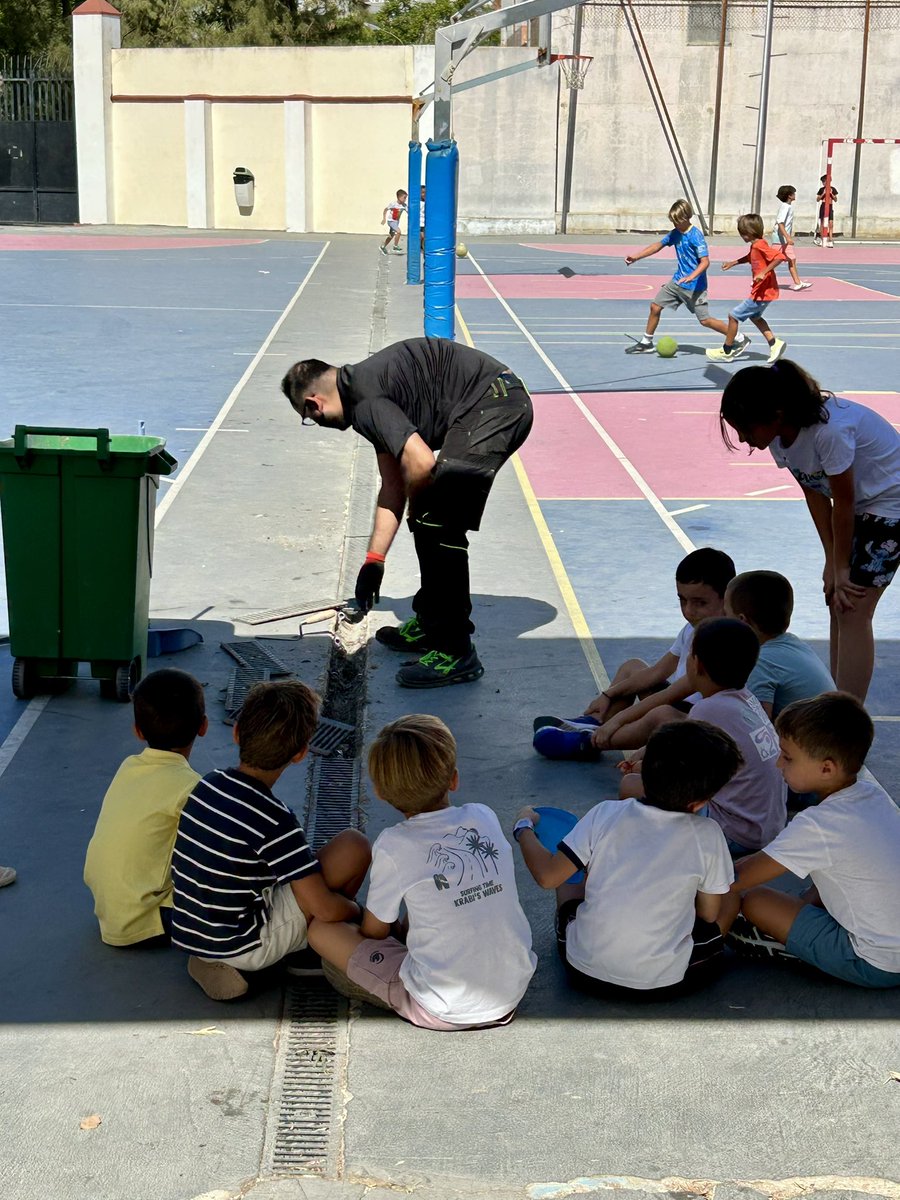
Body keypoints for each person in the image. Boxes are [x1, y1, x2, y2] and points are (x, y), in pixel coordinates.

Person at [281, 340, 533, 688]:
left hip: (495, 405)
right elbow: (393, 486)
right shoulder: (363, 398)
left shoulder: (367, 401)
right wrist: (374, 559)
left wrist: (421, 513)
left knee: (438, 522)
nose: (315, 421)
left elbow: (421, 461)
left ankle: (456, 651)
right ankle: (432, 623)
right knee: (430, 518)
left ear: (313, 404)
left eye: (308, 418)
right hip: (490, 401)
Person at [309, 715, 537, 1029]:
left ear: (380, 793)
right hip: (511, 991)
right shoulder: (483, 816)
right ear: (454, 780)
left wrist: (351, 917)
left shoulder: (394, 844)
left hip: (443, 1008)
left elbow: (375, 932)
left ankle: (377, 983)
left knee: (321, 932)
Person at [172, 680, 371, 1002]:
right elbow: (321, 904)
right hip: (244, 943)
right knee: (354, 847)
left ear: (236, 733)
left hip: (191, 930)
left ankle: (210, 957)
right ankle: (304, 951)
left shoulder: (207, 785)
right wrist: (354, 912)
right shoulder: (274, 819)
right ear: (300, 754)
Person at [515, 721, 740, 999]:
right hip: (664, 983)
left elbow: (547, 876)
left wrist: (523, 826)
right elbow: (707, 914)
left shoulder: (605, 813)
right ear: (701, 802)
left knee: (570, 879)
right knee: (730, 896)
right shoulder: (708, 834)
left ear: (644, 772)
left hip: (583, 969)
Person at [720, 359, 900, 701]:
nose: (743, 439)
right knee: (837, 598)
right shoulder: (779, 437)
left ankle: (844, 722)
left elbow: (843, 503)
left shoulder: (830, 432)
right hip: (864, 504)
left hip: (891, 503)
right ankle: (834, 702)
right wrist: (831, 562)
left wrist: (842, 566)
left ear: (775, 414)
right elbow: (815, 492)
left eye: (746, 428)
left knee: (853, 608)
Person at [727, 693, 900, 988]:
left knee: (757, 901)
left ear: (827, 768)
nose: (778, 763)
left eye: (788, 757)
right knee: (834, 873)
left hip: (873, 962)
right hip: (891, 944)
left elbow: (739, 877)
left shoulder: (819, 826)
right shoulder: (873, 795)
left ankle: (783, 944)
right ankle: (803, 923)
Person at [533, 547, 736, 759]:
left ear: (726, 597)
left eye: (700, 603)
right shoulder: (692, 628)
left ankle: (593, 741)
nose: (688, 611)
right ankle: (596, 722)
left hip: (697, 719)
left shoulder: (721, 642)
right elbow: (658, 672)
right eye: (682, 600)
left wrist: (619, 722)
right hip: (678, 700)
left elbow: (672, 694)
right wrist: (607, 694)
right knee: (633, 668)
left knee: (662, 715)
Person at [619, 618, 787, 856]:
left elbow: (678, 775)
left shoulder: (708, 709)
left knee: (631, 786)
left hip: (735, 833)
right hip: (769, 828)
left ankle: (650, 858)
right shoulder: (745, 698)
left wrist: (641, 768)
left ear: (696, 664)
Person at [83, 669, 207, 947]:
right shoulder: (192, 787)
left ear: (137, 731)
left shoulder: (128, 766)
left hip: (108, 907)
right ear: (204, 726)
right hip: (148, 922)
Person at [623, 199, 732, 355]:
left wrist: (692, 276)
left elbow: (705, 262)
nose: (674, 224)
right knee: (655, 306)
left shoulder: (696, 235)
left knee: (705, 320)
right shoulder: (676, 233)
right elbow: (657, 246)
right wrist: (636, 257)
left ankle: (736, 337)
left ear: (686, 218)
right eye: (672, 221)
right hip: (677, 282)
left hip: (695, 287)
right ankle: (646, 342)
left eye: (676, 221)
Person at [725, 570, 834, 717]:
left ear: (742, 621)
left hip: (812, 738)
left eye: (726, 614)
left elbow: (757, 728)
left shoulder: (761, 663)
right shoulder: (796, 645)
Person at [706, 214, 786, 364]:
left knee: (733, 316)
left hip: (762, 292)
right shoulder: (756, 245)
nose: (741, 235)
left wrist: (764, 272)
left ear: (750, 232)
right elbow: (750, 257)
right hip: (765, 292)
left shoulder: (760, 245)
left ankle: (727, 350)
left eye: (742, 232)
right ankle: (774, 343)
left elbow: (780, 257)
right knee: (755, 317)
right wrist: (733, 262)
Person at [773, 185, 811, 291]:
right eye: (793, 193)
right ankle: (759, 277)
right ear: (790, 196)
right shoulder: (785, 207)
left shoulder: (788, 207)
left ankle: (798, 283)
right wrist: (787, 237)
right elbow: (780, 223)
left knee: (790, 260)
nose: (795, 195)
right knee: (776, 261)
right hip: (779, 239)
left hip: (782, 239)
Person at [380, 189, 408, 255]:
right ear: (398, 197)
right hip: (391, 221)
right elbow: (385, 210)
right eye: (404, 198)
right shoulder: (393, 204)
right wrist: (384, 219)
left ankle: (383, 246)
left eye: (406, 198)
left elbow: (409, 212)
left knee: (391, 236)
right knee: (399, 232)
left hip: (396, 222)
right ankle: (395, 246)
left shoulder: (404, 205)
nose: (405, 199)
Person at [815, 175, 838, 247]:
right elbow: (818, 199)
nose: (823, 183)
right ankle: (822, 239)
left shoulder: (833, 189)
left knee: (830, 223)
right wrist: (823, 194)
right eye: (822, 182)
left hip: (830, 206)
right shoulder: (821, 189)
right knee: (822, 223)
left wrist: (831, 194)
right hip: (823, 206)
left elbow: (835, 200)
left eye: (824, 181)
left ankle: (830, 240)